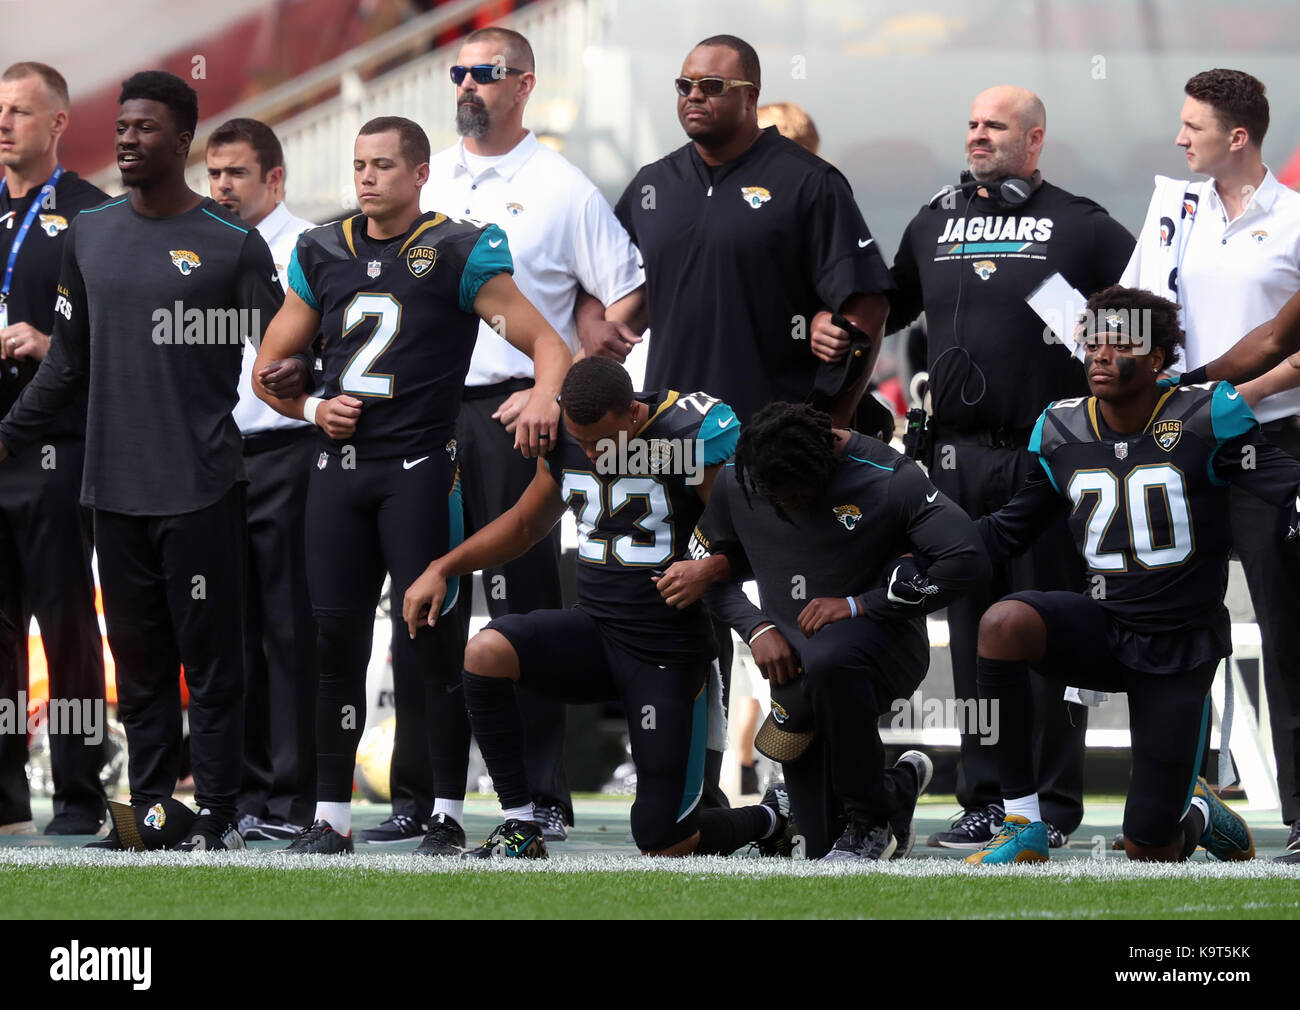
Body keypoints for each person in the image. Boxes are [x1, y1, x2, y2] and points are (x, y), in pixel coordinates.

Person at [252, 115, 571, 855]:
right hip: (336, 475)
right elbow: (268, 367)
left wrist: (545, 395)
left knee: (433, 645)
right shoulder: (322, 247)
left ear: (420, 172)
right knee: (336, 647)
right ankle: (331, 818)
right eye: (360, 164)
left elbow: (546, 341)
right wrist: (309, 406)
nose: (366, 177)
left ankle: (448, 811)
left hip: (421, 472)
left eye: (384, 166)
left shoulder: (457, 247)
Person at [0, 71, 286, 851]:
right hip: (111, 489)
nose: (127, 139)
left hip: (201, 485)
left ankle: (222, 814)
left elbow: (282, 354)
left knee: (214, 665)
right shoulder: (91, 233)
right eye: (122, 127)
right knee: (142, 667)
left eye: (146, 128)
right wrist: (8, 436)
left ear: (183, 140)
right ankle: (154, 815)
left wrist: (318, 397)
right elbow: (66, 367)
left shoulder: (233, 244)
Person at [610, 34, 893, 802]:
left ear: (748, 94)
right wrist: (600, 329)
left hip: (773, 446)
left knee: (797, 632)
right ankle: (691, 793)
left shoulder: (806, 182)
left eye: (711, 85)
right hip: (667, 443)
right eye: (683, 85)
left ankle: (837, 800)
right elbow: (609, 279)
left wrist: (828, 412)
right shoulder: (651, 185)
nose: (693, 96)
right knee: (677, 614)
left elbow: (866, 299)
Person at [389, 26, 646, 849]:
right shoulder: (426, 183)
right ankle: (420, 798)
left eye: (486, 73)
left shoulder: (561, 186)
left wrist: (558, 386)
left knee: (521, 610)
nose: (468, 84)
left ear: (525, 84)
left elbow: (625, 298)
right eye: (458, 72)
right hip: (422, 413)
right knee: (422, 596)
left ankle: (539, 796)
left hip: (513, 414)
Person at [402, 357, 792, 858]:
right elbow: (524, 525)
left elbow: (757, 537)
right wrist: (444, 567)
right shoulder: (565, 438)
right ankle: (521, 825)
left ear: (632, 413)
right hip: (596, 631)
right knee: (485, 652)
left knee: (663, 841)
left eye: (599, 441)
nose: (589, 451)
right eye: (579, 440)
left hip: (665, 651)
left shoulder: (687, 435)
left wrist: (709, 569)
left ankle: (772, 816)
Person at [969, 285, 1300, 864]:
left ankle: (1197, 812)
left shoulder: (1206, 417)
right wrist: (924, 547)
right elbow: (1007, 529)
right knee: (1003, 623)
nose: (1100, 353)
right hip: (1103, 626)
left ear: (1156, 358)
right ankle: (1022, 820)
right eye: (1092, 339)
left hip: (1180, 644)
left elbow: (1282, 484)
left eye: (1119, 342)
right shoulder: (1060, 428)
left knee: (1149, 849)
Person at [889, 85, 1135, 850]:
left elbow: (1149, 310)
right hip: (954, 460)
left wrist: (1113, 395)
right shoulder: (932, 220)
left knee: (1044, 628)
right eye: (970, 124)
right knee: (970, 636)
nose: (977, 137)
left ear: (1034, 141)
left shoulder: (1082, 226)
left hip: (1047, 455)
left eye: (995, 126)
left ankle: (1053, 806)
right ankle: (987, 798)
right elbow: (884, 308)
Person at [656, 402, 990, 859]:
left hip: (879, 647)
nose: (779, 503)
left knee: (831, 657)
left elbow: (967, 560)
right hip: (791, 673)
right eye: (767, 492)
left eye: (790, 493)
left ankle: (871, 824)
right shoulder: (743, 478)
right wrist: (756, 629)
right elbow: (704, 578)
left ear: (824, 461)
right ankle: (895, 789)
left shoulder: (891, 476)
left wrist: (859, 605)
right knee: (813, 846)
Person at [1121, 69, 1300, 856]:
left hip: (1275, 448)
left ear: (1238, 137)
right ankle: (1173, 814)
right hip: (1177, 447)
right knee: (1166, 628)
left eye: (1192, 126)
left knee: (1289, 634)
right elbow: (1130, 310)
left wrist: (1231, 395)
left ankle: (1298, 819)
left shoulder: (1296, 220)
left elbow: (1285, 348)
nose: (1179, 137)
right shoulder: (1172, 210)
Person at [0, 62, 108, 836]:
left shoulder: (93, 216)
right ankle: (4, 795)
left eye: (20, 112)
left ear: (59, 123)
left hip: (55, 452)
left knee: (66, 625)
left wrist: (53, 343)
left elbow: (121, 341)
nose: (4, 124)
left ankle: (77, 792)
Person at [205, 117, 318, 842]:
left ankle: (293, 797)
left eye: (236, 174)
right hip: (214, 456)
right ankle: (239, 793)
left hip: (289, 450)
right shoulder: (197, 247)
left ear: (275, 179)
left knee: (289, 628)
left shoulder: (311, 248)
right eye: (213, 174)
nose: (221, 187)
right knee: (227, 631)